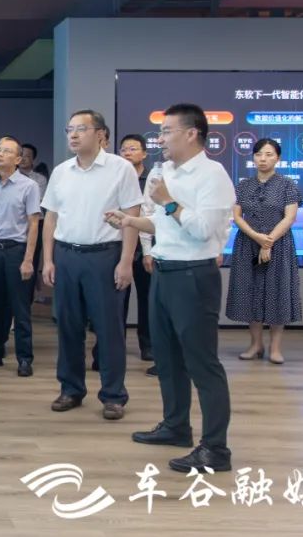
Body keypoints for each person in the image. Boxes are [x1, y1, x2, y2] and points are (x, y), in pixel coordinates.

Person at [106, 103, 236, 473]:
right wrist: (130, 220)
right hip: (164, 272)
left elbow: (203, 230)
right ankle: (176, 426)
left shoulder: (212, 175)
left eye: (167, 131)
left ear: (191, 133)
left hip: (193, 276)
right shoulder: (166, 172)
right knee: (167, 358)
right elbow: (164, 223)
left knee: (202, 363)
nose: (160, 139)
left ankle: (216, 449)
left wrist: (168, 201)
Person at [42, 110, 142, 420]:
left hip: (105, 256)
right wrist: (48, 259)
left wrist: (126, 261)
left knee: (109, 329)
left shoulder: (120, 169)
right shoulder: (61, 171)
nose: (73, 135)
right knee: (68, 326)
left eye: (81, 129)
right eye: (69, 129)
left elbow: (132, 217)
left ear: (100, 134)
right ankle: (71, 389)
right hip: (66, 255)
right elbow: (51, 218)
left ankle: (113, 395)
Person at [226, 138, 301, 365]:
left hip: (279, 245)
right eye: (258, 154)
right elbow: (237, 216)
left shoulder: (287, 185)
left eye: (269, 154)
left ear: (278, 158)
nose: (263, 159)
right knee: (251, 293)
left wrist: (268, 243)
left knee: (277, 293)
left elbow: (289, 217)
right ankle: (255, 344)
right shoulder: (243, 185)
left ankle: (275, 348)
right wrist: (257, 237)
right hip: (248, 243)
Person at [0, 136, 41, 377]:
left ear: (18, 159)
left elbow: (33, 224)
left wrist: (28, 259)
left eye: (6, 151)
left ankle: (24, 358)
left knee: (20, 307)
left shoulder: (29, 186)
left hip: (17, 250)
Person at [118, 134, 155, 364]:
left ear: (144, 153)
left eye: (133, 149)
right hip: (120, 244)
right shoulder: (116, 178)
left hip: (146, 245)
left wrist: (148, 250)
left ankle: (147, 345)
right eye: (124, 149)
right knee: (118, 298)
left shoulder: (153, 179)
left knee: (147, 298)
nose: (127, 153)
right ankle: (116, 345)